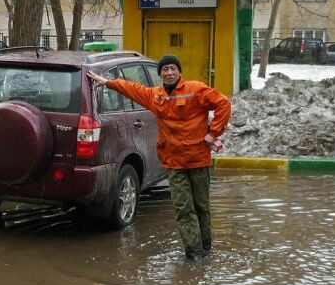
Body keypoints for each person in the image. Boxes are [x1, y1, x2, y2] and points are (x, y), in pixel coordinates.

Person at [88, 54, 231, 261]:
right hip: (174, 163)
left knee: (202, 206)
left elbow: (223, 103)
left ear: (179, 72)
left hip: (198, 160)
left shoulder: (195, 90)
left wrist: (214, 133)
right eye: (165, 70)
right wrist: (108, 83)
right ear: (160, 74)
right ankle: (195, 252)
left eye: (173, 68)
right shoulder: (156, 96)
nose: (169, 72)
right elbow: (133, 89)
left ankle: (206, 248)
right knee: (184, 208)